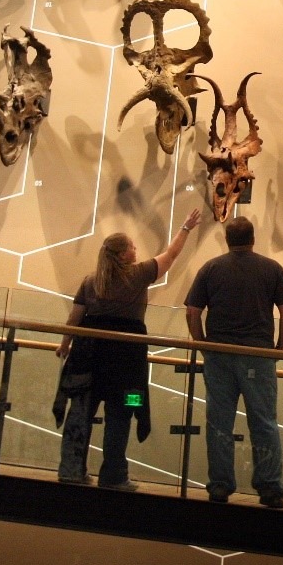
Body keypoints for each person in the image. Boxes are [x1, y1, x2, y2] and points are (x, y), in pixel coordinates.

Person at [56, 207, 202, 489]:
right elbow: (171, 255)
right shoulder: (139, 274)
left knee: (81, 411)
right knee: (123, 412)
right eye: (133, 247)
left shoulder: (90, 281)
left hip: (88, 357)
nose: (136, 250)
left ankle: (71, 470)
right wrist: (185, 228)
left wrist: (65, 345)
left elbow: (74, 319)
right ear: (124, 255)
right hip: (127, 362)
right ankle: (114, 476)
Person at [184, 217, 283, 508]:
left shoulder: (211, 268)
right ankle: (270, 489)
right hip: (258, 356)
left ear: (227, 239)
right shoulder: (272, 269)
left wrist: (202, 344)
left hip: (219, 354)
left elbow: (192, 311)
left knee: (219, 421)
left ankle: (220, 486)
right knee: (264, 422)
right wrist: (280, 348)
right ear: (253, 238)